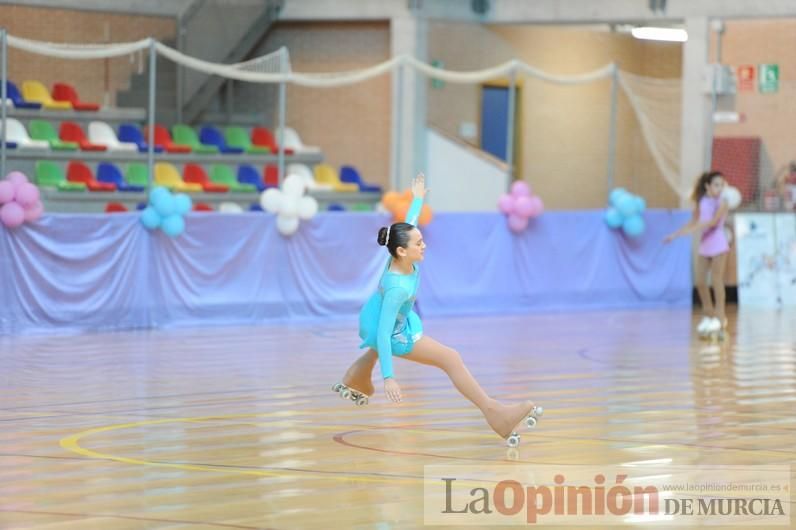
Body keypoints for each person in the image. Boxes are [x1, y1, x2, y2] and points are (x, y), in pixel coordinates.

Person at [333, 173, 541, 446]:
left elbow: (410, 223)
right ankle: (495, 414)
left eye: (421, 240)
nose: (424, 244)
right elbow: (384, 335)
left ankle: (355, 377)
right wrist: (389, 378)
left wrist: (418, 198)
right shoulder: (398, 288)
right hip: (387, 327)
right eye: (418, 243)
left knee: (415, 347)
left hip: (376, 315)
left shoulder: (398, 256)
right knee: (450, 358)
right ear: (402, 251)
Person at [664, 171, 730, 337]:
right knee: (700, 281)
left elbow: (713, 222)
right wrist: (675, 234)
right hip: (705, 245)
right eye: (716, 185)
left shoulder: (723, 202)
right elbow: (693, 221)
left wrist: (696, 228)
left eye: (721, 185)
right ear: (708, 186)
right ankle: (709, 315)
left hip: (719, 243)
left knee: (716, 280)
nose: (719, 188)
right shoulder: (702, 201)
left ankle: (721, 317)